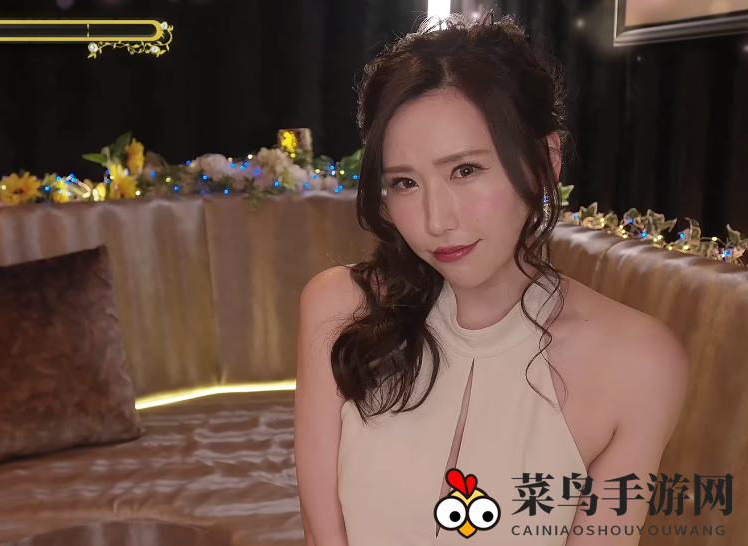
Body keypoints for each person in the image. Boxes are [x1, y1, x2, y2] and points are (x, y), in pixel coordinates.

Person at [294, 12, 688, 546]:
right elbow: (323, 535)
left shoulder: (638, 362)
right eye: (405, 182)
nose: (437, 221)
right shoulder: (339, 308)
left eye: (465, 170)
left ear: (544, 161)